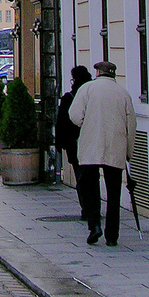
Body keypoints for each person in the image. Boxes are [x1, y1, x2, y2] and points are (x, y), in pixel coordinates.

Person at [69, 60, 137, 247]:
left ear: (98, 72)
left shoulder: (87, 89)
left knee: (89, 187)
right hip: (115, 147)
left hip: (91, 145)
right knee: (114, 192)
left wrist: (85, 123)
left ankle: (95, 225)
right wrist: (128, 152)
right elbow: (131, 126)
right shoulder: (123, 94)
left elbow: (74, 115)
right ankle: (112, 234)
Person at [54, 65, 92, 220]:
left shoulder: (69, 97)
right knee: (91, 177)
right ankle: (91, 207)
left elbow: (61, 122)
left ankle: (86, 208)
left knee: (81, 177)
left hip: (75, 144)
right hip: (91, 143)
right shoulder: (91, 95)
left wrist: (59, 142)